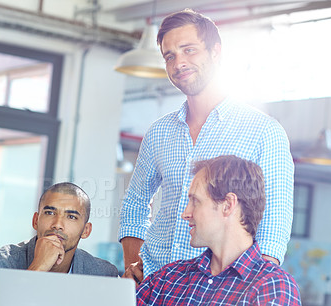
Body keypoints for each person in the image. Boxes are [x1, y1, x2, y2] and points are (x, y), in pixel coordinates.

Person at [119, 9, 294, 282]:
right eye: (170, 56)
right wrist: (133, 263)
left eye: (189, 50)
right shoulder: (159, 132)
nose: (179, 63)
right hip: (154, 285)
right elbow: (135, 203)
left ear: (215, 52)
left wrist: (248, 289)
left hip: (220, 292)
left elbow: (273, 226)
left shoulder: (264, 132)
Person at [137, 155, 301, 306]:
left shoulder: (274, 286)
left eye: (195, 201)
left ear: (228, 205)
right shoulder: (164, 280)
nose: (186, 213)